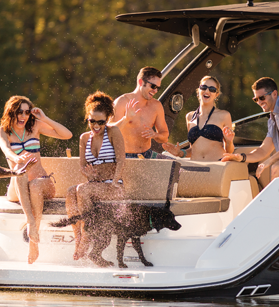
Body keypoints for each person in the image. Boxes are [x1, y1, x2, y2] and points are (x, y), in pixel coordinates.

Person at [0, 95, 72, 264]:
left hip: (41, 182)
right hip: (18, 187)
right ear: (11, 112)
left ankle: (33, 237)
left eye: (26, 112)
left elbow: (67, 135)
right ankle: (31, 222)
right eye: (19, 112)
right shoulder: (4, 130)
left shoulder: (35, 126)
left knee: (35, 184)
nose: (23, 116)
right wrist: (17, 158)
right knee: (18, 172)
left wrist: (45, 118)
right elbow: (6, 149)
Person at [65, 90, 125, 261]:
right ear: (88, 118)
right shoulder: (84, 138)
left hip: (114, 186)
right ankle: (78, 238)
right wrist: (88, 174)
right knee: (71, 191)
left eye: (101, 122)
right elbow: (83, 167)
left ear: (107, 120)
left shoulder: (113, 132)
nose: (96, 125)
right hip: (95, 185)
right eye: (92, 121)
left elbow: (121, 160)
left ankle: (86, 237)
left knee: (82, 191)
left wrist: (113, 181)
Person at [162, 76, 235, 161]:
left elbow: (229, 151)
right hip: (195, 167)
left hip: (216, 166)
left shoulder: (224, 115)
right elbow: (193, 149)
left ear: (216, 94)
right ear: (199, 90)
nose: (207, 91)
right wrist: (180, 153)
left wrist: (229, 142)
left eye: (212, 89)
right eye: (204, 87)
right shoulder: (189, 117)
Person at [222, 77, 279, 180]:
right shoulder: (273, 118)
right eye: (255, 99)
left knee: (276, 168)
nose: (259, 102)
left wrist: (269, 161)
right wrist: (242, 157)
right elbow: (263, 150)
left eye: (262, 98)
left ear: (274, 94)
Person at [110, 66, 169, 158]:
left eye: (158, 88)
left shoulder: (156, 106)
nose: (155, 90)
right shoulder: (122, 102)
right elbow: (109, 131)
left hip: (147, 154)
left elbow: (165, 137)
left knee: (178, 168)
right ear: (141, 82)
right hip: (124, 157)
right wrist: (126, 119)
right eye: (153, 86)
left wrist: (154, 135)